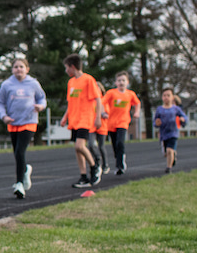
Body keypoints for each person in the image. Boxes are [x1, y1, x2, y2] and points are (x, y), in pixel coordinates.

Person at [0, 57, 47, 199]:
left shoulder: (33, 83)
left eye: (21, 67)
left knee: (19, 151)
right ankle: (25, 170)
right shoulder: (6, 85)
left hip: (29, 121)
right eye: (16, 67)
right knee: (17, 153)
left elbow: (42, 98)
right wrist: (3, 116)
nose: (19, 69)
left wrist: (40, 106)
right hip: (13, 122)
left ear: (27, 69)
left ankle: (19, 184)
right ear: (12, 69)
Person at [59, 54, 103, 188]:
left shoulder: (88, 80)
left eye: (66, 68)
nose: (66, 71)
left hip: (85, 117)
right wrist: (65, 117)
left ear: (72, 67)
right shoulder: (71, 82)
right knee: (77, 149)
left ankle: (95, 166)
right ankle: (83, 176)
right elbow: (70, 102)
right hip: (74, 119)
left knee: (80, 146)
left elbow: (98, 99)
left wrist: (98, 117)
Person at [102, 71, 141, 175]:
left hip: (123, 122)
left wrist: (137, 112)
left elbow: (137, 103)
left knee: (120, 142)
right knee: (115, 145)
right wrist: (103, 112)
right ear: (116, 83)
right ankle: (119, 158)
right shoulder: (111, 93)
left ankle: (120, 165)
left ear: (127, 82)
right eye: (119, 80)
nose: (121, 82)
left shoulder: (130, 94)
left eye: (123, 80)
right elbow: (102, 102)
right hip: (111, 123)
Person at [153, 87, 188, 173]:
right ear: (162, 97)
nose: (166, 97)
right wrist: (157, 123)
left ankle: (169, 168)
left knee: (169, 150)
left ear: (172, 97)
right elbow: (155, 122)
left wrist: (183, 120)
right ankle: (173, 156)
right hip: (163, 134)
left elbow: (184, 117)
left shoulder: (176, 109)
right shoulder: (159, 109)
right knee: (166, 153)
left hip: (173, 133)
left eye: (168, 95)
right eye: (164, 95)